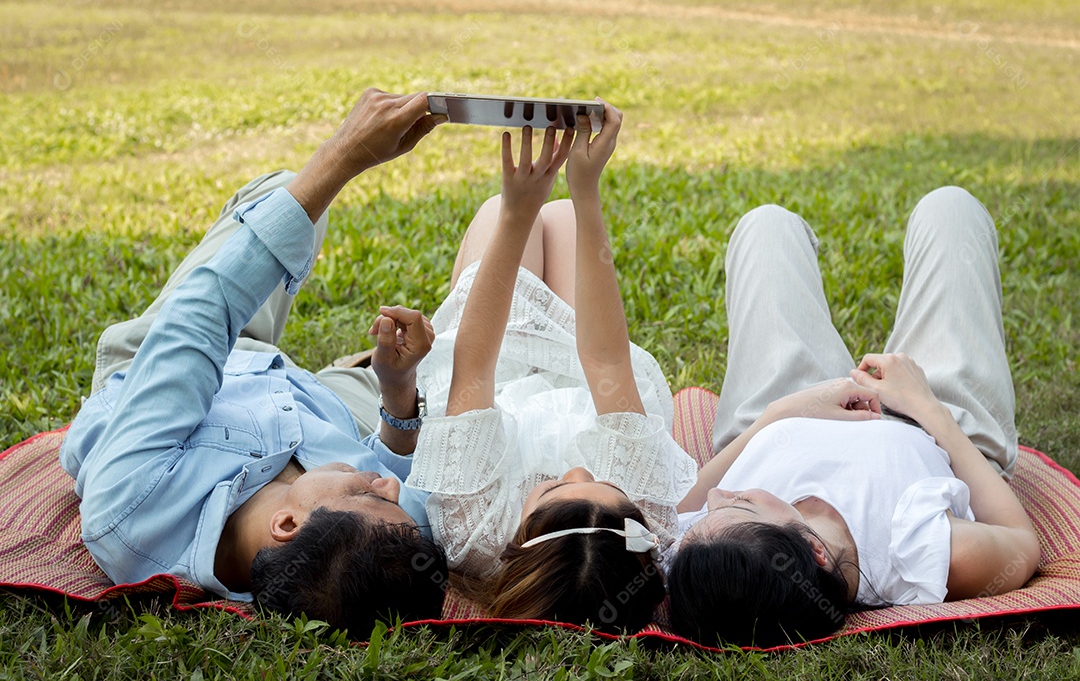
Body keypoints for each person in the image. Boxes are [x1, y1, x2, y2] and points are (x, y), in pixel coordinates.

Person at [60, 89, 450, 638]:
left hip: (170, 361)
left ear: (286, 524)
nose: (390, 488)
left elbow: (202, 315)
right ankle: (364, 370)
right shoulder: (378, 537)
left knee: (285, 194)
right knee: (455, 375)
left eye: (369, 493)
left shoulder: (135, 506)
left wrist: (345, 154)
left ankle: (354, 365)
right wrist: (398, 391)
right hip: (309, 397)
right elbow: (400, 470)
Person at [667, 190, 1041, 648]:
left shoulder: (709, 555)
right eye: (741, 502)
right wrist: (927, 406)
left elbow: (675, 511)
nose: (716, 494)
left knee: (766, 227)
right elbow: (1020, 542)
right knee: (951, 211)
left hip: (781, 414)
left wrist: (779, 413)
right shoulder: (916, 551)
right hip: (935, 431)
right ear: (815, 550)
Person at [399, 103, 698, 633]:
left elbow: (475, 366)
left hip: (495, 375)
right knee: (564, 216)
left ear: (515, 540)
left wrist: (517, 213)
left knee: (502, 210)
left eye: (556, 488)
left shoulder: (476, 533)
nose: (576, 471)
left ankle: (514, 214)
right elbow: (606, 359)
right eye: (601, 482)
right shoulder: (646, 519)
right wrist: (587, 190)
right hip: (588, 384)